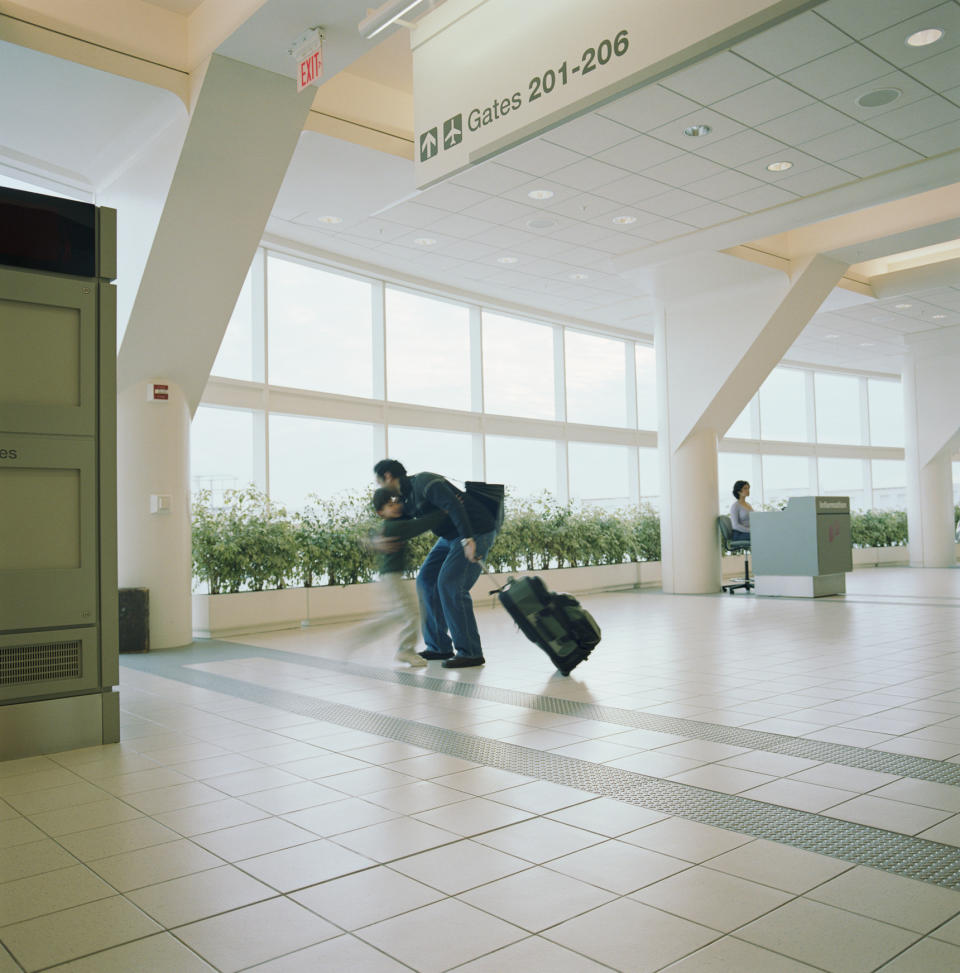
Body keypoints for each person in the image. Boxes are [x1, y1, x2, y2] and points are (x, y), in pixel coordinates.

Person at [373, 459, 499, 669]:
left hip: (476, 531)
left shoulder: (425, 481)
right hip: (449, 537)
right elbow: (396, 522)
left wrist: (468, 539)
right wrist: (376, 539)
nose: (379, 485)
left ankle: (470, 652)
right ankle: (438, 646)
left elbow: (454, 505)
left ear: (387, 476)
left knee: (450, 584)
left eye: (378, 480)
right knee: (426, 580)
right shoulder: (404, 497)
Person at [357, 488, 446, 668]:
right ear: (380, 512)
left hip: (390, 577)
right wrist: (445, 510)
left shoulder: (390, 525)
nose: (396, 506)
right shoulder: (395, 526)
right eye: (390, 505)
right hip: (392, 577)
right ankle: (405, 649)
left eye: (397, 502)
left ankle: (362, 635)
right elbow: (421, 524)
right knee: (412, 614)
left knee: (398, 614)